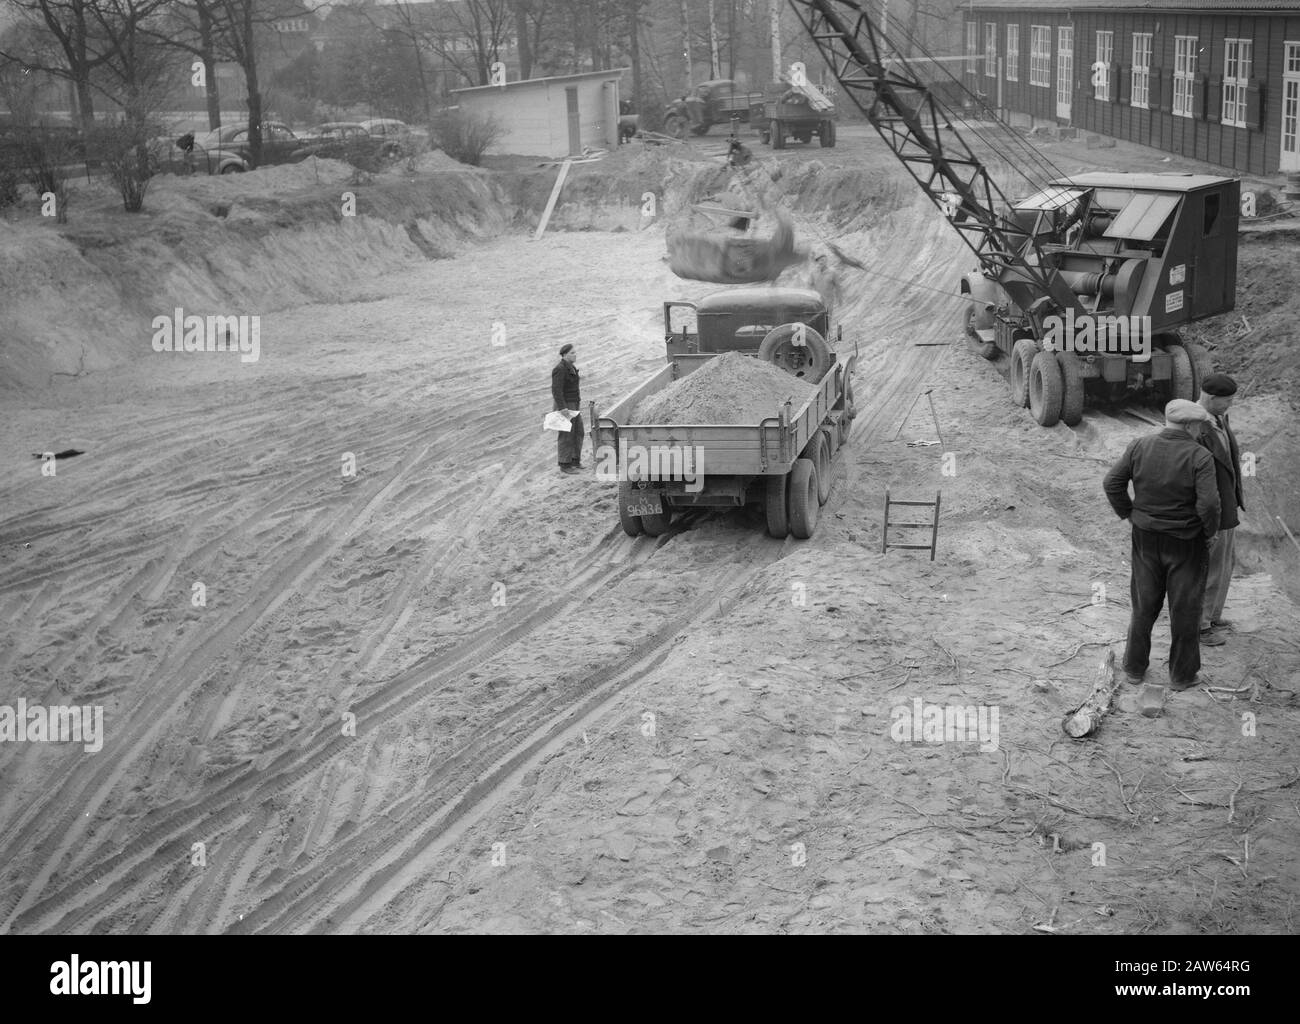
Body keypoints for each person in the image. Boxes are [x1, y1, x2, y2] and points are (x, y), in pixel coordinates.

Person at [1103, 399, 1220, 714]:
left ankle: (1134, 669)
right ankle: (1181, 676)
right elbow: (1209, 505)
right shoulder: (1199, 456)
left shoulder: (1140, 445)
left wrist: (1130, 513)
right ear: (1192, 426)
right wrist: (1209, 532)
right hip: (1185, 543)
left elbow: (1112, 483)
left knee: (1144, 604)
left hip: (1145, 538)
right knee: (1184, 608)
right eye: (1199, 427)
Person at [1196, 373, 1245, 645]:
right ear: (1212, 399)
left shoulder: (1218, 419)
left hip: (1227, 506)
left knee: (1225, 564)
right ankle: (1200, 626)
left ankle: (1213, 615)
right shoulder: (1196, 426)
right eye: (1226, 401)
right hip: (1211, 509)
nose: (1230, 405)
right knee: (1209, 568)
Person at [551, 343, 583, 473]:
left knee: (578, 431)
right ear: (564, 355)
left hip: (574, 403)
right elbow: (556, 390)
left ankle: (575, 460)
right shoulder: (560, 368)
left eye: (575, 352)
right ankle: (565, 464)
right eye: (572, 353)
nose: (575, 355)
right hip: (566, 405)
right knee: (566, 434)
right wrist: (562, 407)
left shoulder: (571, 367)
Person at [807, 249, 844, 324]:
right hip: (817, 302)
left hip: (828, 302)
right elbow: (809, 285)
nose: (821, 262)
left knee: (827, 321)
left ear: (826, 261)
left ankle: (827, 334)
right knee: (817, 321)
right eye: (819, 260)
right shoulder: (813, 272)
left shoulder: (832, 272)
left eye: (822, 260)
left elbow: (838, 286)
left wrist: (839, 298)